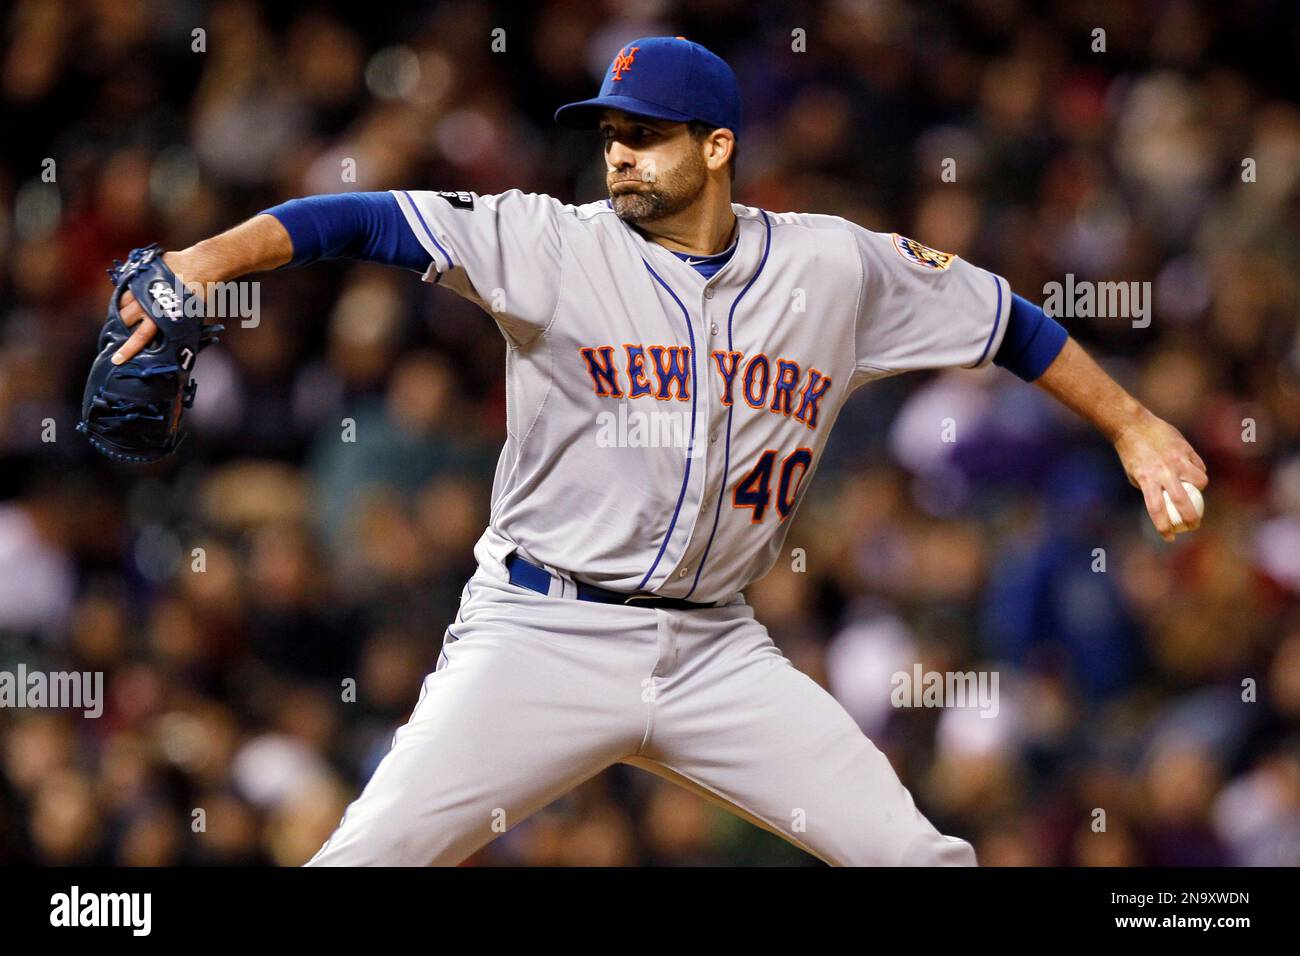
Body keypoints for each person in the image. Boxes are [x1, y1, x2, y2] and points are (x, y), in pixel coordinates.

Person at [108, 37, 1206, 866]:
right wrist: (211, 257)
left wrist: (1132, 421)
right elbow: (357, 217)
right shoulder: (546, 241)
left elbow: (1007, 319)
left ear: (718, 146)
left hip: (717, 653)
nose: (619, 156)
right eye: (610, 135)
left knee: (919, 858)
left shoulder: (834, 269)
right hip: (540, 630)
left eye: (645, 136)